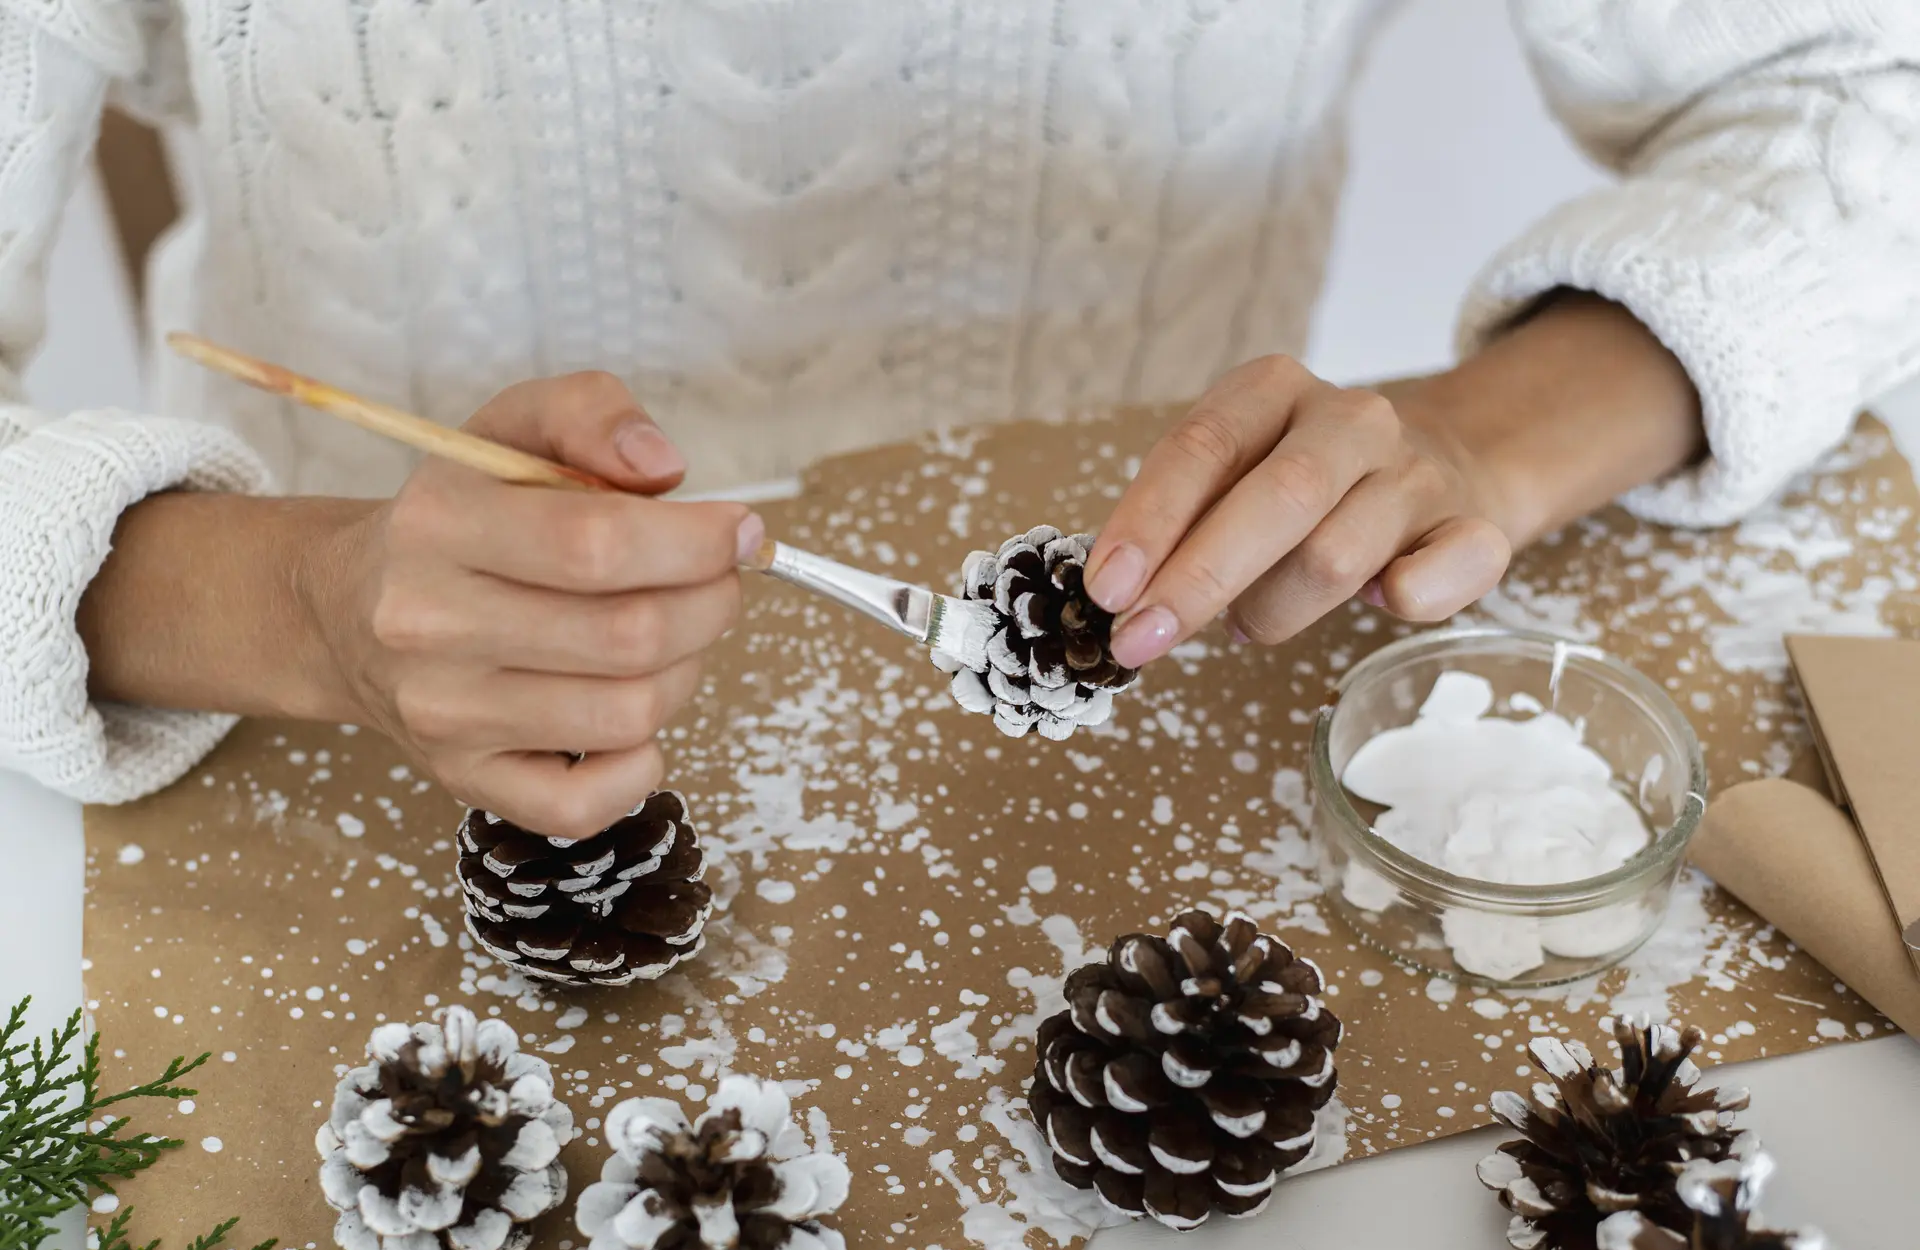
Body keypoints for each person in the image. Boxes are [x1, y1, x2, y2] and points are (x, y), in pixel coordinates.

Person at [2, 3, 1916, 839]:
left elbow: (1867, 77)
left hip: (1181, 714)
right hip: (305, 763)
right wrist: (286, 602)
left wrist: (1494, 429)